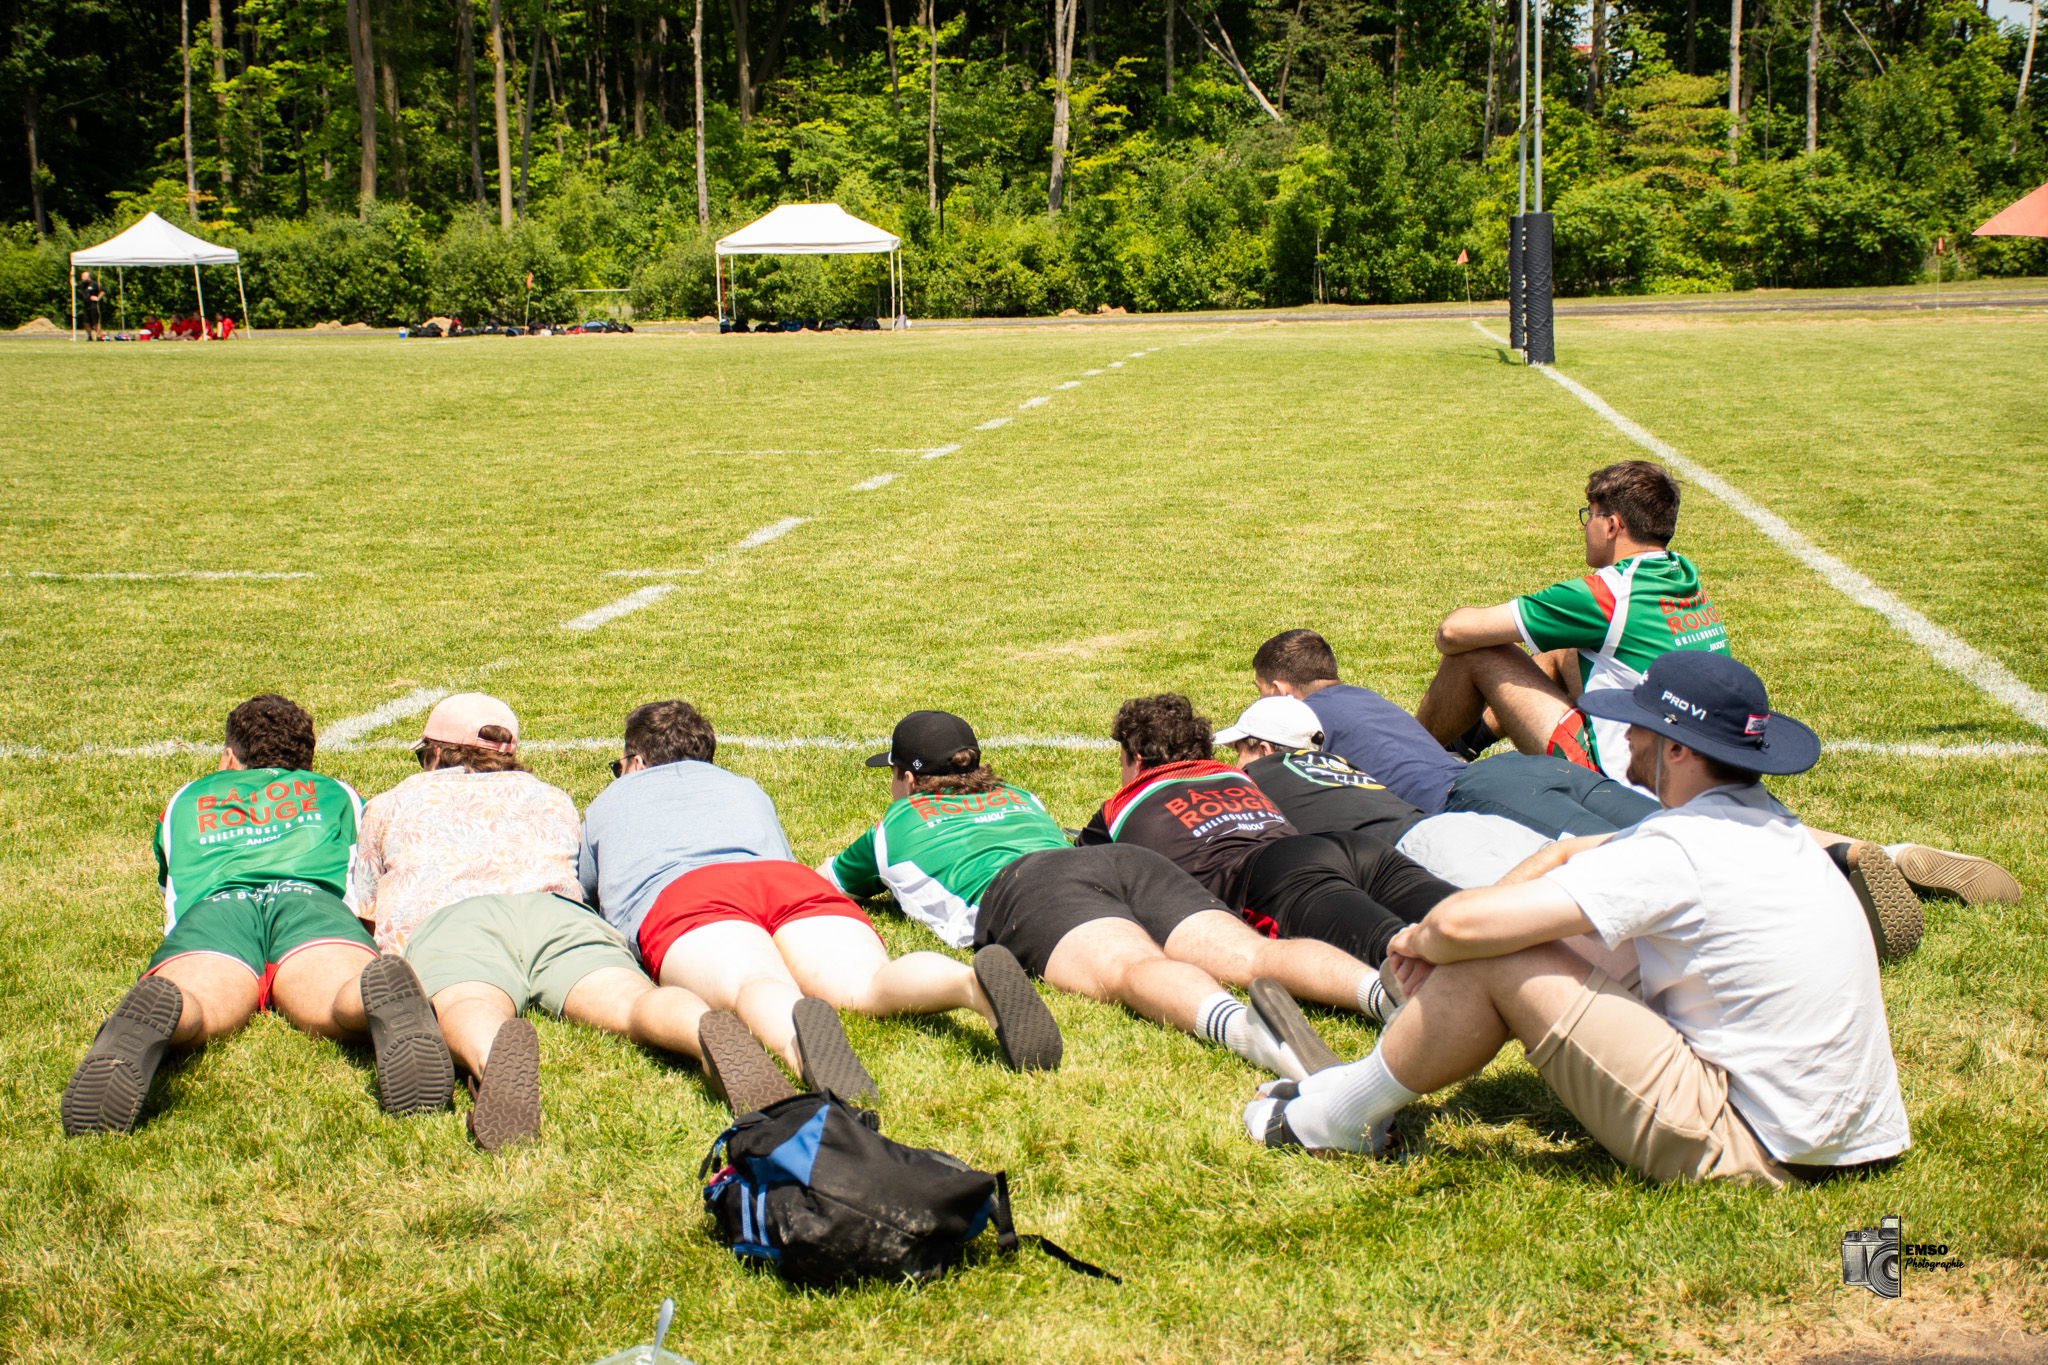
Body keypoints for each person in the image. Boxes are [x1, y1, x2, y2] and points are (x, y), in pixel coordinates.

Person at [1245, 651, 1913, 1190]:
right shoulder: (1768, 826)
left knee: (1501, 951)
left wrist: (1417, 942)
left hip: (1757, 1144)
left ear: (1676, 749)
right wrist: (1543, 866)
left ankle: (1337, 1113)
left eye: (1641, 724)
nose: (1626, 733)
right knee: (1552, 934)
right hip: (1841, 1132)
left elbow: (1466, 928)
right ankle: (1357, 1085)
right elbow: (1581, 857)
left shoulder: (1679, 849)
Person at [1255, 628, 2020, 950]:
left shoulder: (1297, 716)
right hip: (1538, 768)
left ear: (1280, 688)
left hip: (1479, 794)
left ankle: (1801, 911)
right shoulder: (1369, 702)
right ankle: (1863, 850)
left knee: (1638, 852)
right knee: (1666, 818)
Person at [821, 710, 1388, 1079]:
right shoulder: (1022, 796)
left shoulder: (889, 830)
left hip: (1031, 888)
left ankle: (1253, 1035)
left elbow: (824, 887)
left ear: (910, 779)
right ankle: (1385, 995)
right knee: (1254, 955)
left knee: (1131, 966)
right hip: (1114, 862)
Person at [353, 693, 785, 1149]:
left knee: (470, 1003)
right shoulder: (552, 798)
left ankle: (491, 1056)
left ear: (436, 753)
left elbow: (369, 909)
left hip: (456, 916)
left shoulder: (391, 803)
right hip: (558, 913)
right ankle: (701, 1029)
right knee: (632, 1001)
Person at [580, 699, 1062, 1102]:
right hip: (786, 882)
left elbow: (587, 891)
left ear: (636, 761)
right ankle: (969, 986)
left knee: (755, 980)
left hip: (688, 894)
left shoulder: (608, 802)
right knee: (867, 981)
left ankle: (798, 1046)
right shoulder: (743, 788)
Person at [62, 695, 452, 1136]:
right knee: (335, 993)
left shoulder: (187, 797)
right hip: (312, 903)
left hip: (216, 908)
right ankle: (370, 998)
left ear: (229, 755)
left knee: (201, 1002)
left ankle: (171, 1009)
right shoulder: (338, 793)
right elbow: (366, 872)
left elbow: (169, 880)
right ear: (308, 760)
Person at [1077, 694, 1456, 989]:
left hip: (1273, 877)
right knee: (1465, 916)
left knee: (1398, 954)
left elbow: (1070, 870)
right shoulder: (1237, 775)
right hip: (1349, 848)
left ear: (1138, 759)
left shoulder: (1118, 808)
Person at [1214, 694, 1552, 889]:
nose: (1238, 761)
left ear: (1262, 749)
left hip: (1423, 853)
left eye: (1239, 750)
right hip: (1464, 827)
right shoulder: (1339, 762)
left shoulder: (1257, 776)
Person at [80, 271, 106, 341]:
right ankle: (90, 337)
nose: (82, 278)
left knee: (95, 322)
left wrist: (98, 298)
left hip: (93, 306)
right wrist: (71, 276)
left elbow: (104, 290)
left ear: (88, 277)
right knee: (86, 323)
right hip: (86, 306)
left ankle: (98, 336)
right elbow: (73, 285)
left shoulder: (95, 284)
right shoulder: (83, 285)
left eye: (84, 276)